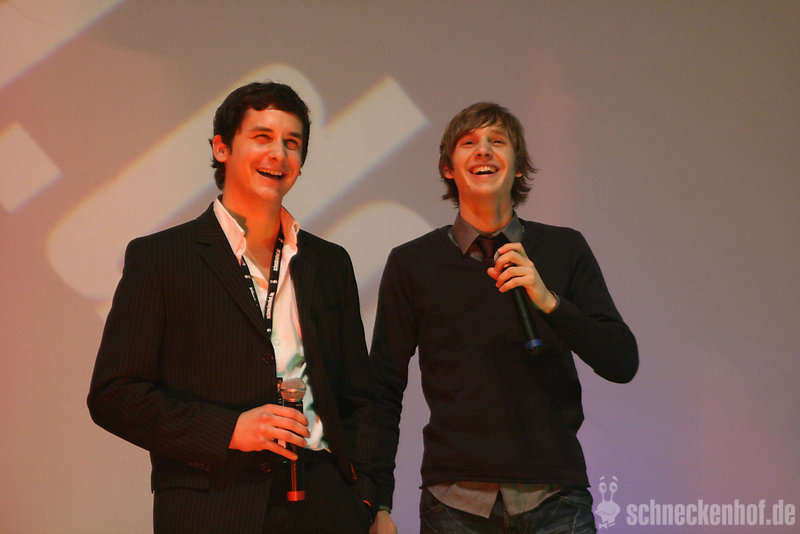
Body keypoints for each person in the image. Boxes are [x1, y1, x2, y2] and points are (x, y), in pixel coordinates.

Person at [88, 82, 376, 533]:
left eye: (292, 142)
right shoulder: (162, 257)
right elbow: (114, 394)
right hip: (213, 506)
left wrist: (368, 498)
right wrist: (228, 430)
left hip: (326, 504)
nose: (278, 153)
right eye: (262, 137)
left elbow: (359, 398)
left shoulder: (328, 262)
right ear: (221, 148)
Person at [369, 102, 638, 534]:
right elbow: (383, 389)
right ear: (448, 169)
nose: (484, 151)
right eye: (468, 143)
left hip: (555, 498)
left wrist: (549, 302)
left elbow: (622, 361)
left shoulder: (564, 248)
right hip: (454, 503)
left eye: (497, 141)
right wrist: (378, 503)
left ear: (519, 167)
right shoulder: (412, 263)